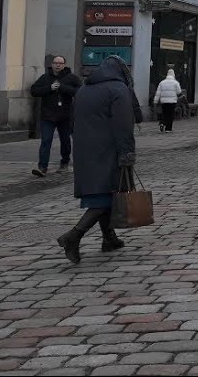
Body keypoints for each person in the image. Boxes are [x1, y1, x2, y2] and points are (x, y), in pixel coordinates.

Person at [56, 56, 140, 264]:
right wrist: (127, 153)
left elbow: (72, 121)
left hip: (85, 149)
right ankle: (73, 236)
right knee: (107, 195)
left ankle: (109, 238)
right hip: (108, 148)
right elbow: (123, 125)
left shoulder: (84, 89)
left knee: (103, 191)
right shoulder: (119, 90)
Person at [29, 55, 81, 177]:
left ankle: (64, 163)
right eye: (55, 63)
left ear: (64, 65)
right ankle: (42, 167)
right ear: (52, 64)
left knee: (65, 140)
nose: (57, 65)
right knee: (46, 140)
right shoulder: (45, 77)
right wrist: (49, 88)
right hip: (48, 115)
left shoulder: (71, 78)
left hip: (65, 115)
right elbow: (34, 91)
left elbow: (80, 91)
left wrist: (63, 88)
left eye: (60, 63)